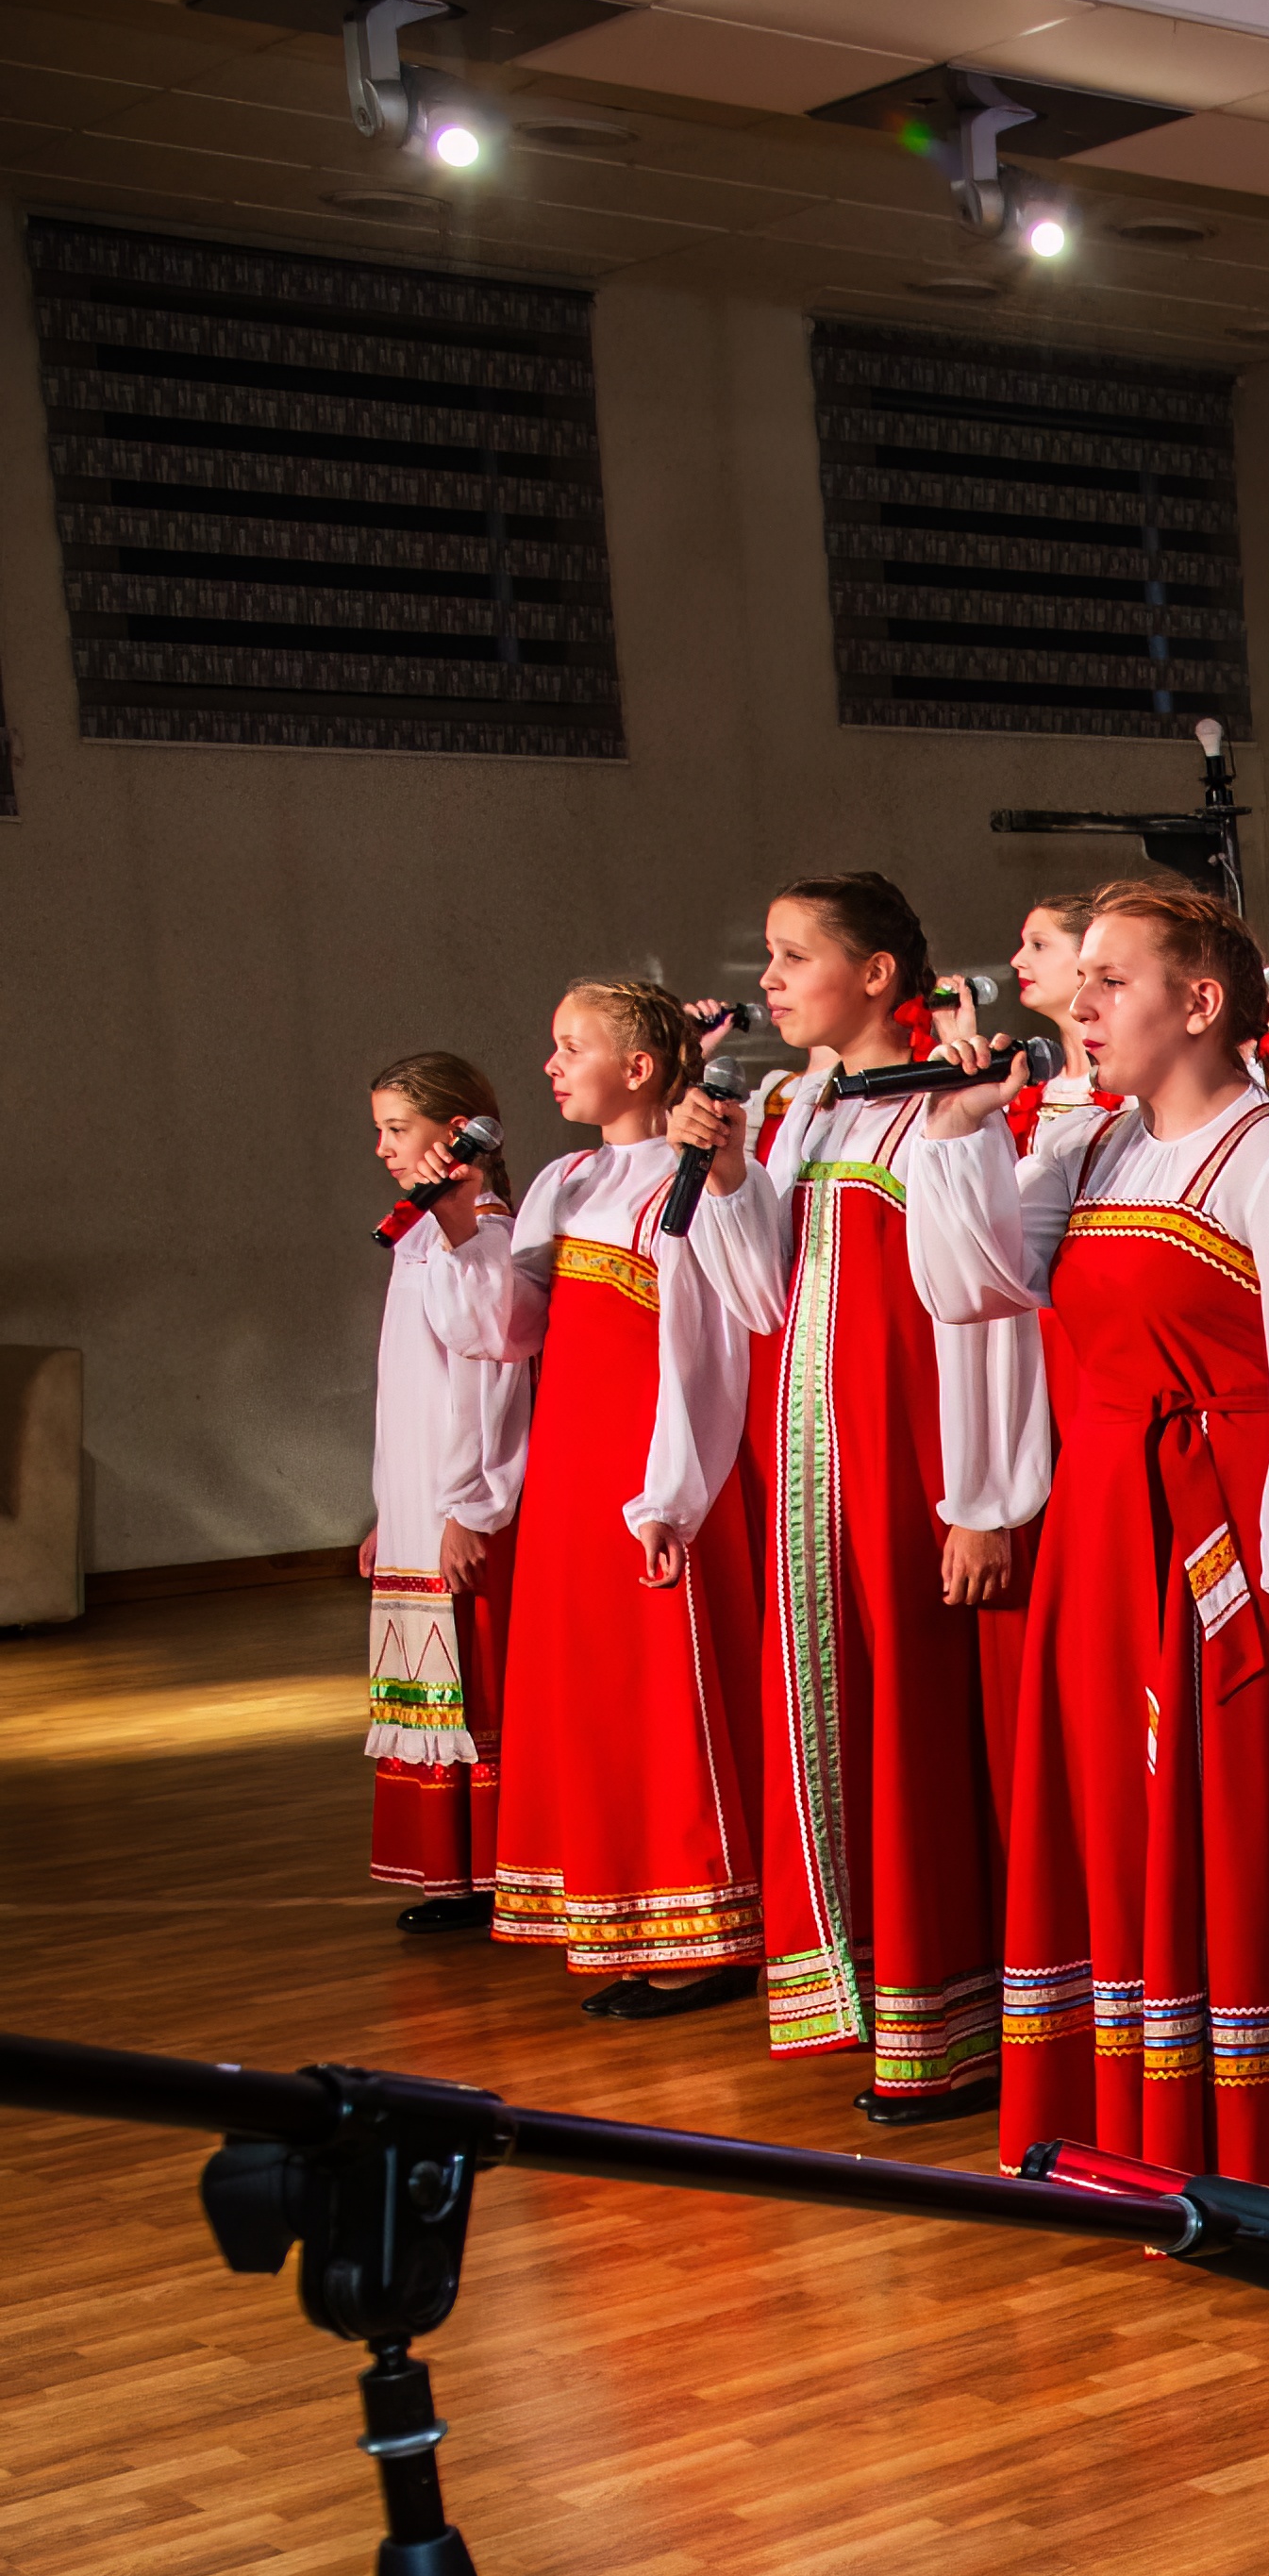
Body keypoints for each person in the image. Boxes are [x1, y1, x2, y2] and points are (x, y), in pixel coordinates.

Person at [907, 881, 1269, 2232]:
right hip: (1111, 1541)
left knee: (1258, 1830)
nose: (1082, 1003)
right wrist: (953, 1139)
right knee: (1127, 1827)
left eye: (1112, 980)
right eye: (1085, 979)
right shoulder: (1093, 1148)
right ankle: (1150, 2136)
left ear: (1200, 1001)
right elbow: (973, 1282)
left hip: (1239, 1536)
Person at [670, 870, 1031, 2123]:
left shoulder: (950, 1099)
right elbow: (767, 1296)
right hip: (818, 1465)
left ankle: (957, 2021)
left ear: (878, 974)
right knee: (843, 1717)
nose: (768, 979)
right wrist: (720, 1180)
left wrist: (981, 1495)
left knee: (922, 1726)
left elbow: (985, 1313)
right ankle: (877, 1995)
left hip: (910, 1469)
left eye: (791, 955)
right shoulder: (808, 1108)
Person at [476, 980, 766, 2017]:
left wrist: (670, 1498)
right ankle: (623, 1909)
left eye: (571, 1046)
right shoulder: (566, 1178)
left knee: (664, 1693)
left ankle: (699, 1926)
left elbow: (704, 1354)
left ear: (640, 1068)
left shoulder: (688, 1179)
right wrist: (473, 1222)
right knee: (590, 1692)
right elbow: (511, 1333)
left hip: (645, 1476)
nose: (550, 1065)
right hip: (569, 1471)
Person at [359, 1051, 529, 1932]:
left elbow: (489, 1381)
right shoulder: (422, 1232)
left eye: (399, 1128)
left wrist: (471, 1505)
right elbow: (407, 1388)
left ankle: (498, 1866)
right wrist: (391, 1511)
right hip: (418, 1497)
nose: (385, 1148)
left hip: (462, 1501)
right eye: (380, 1130)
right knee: (434, 1682)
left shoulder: (482, 1230)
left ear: (455, 1129)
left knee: (477, 1681)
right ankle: (453, 1868)